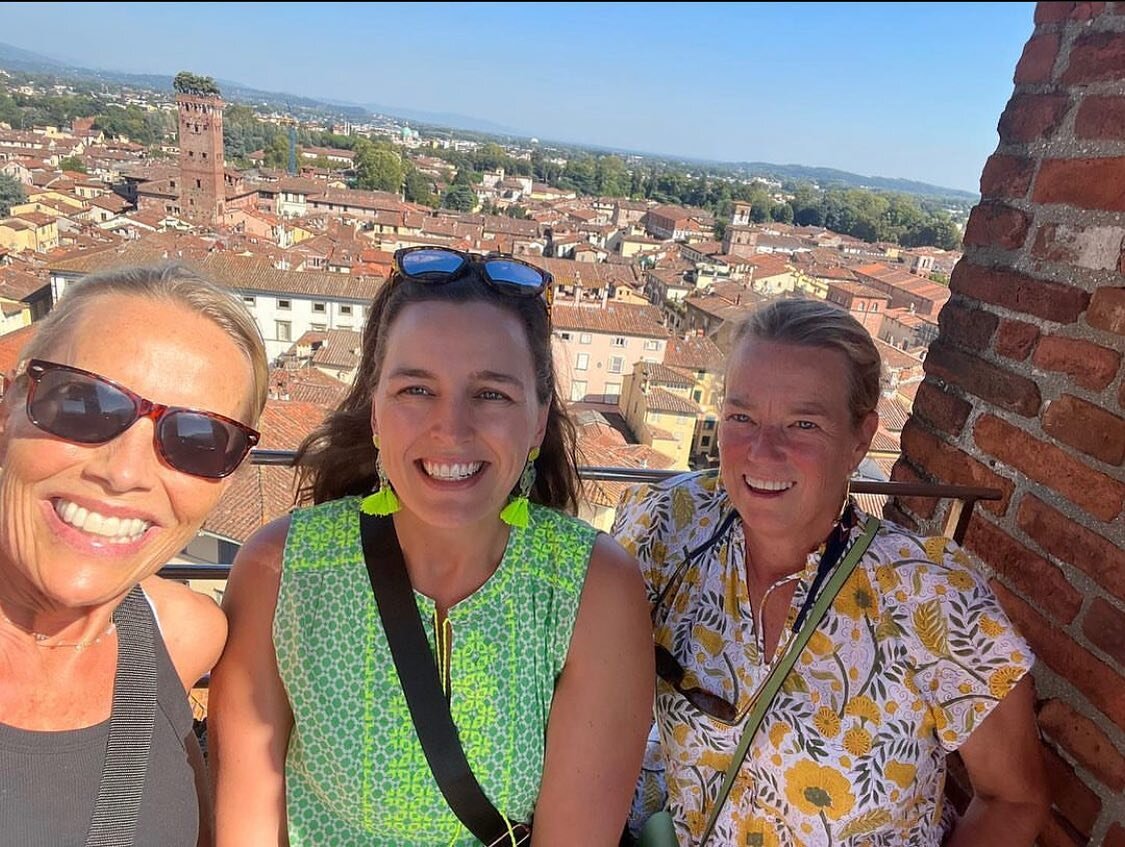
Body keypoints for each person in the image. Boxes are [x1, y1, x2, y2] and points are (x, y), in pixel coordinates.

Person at [210, 247, 654, 846]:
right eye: (417, 389)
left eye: (492, 394)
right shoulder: (280, 572)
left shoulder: (593, 590)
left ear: (539, 421)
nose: (451, 429)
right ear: (375, 410)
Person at [613, 298, 1049, 846]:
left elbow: (1014, 798)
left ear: (860, 438)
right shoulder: (668, 528)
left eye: (803, 424)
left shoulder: (932, 594)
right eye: (741, 417)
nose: (763, 452)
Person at [0, 263, 268, 846]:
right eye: (83, 404)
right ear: (12, 402)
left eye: (197, 439)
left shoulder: (183, 637)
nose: (124, 473)